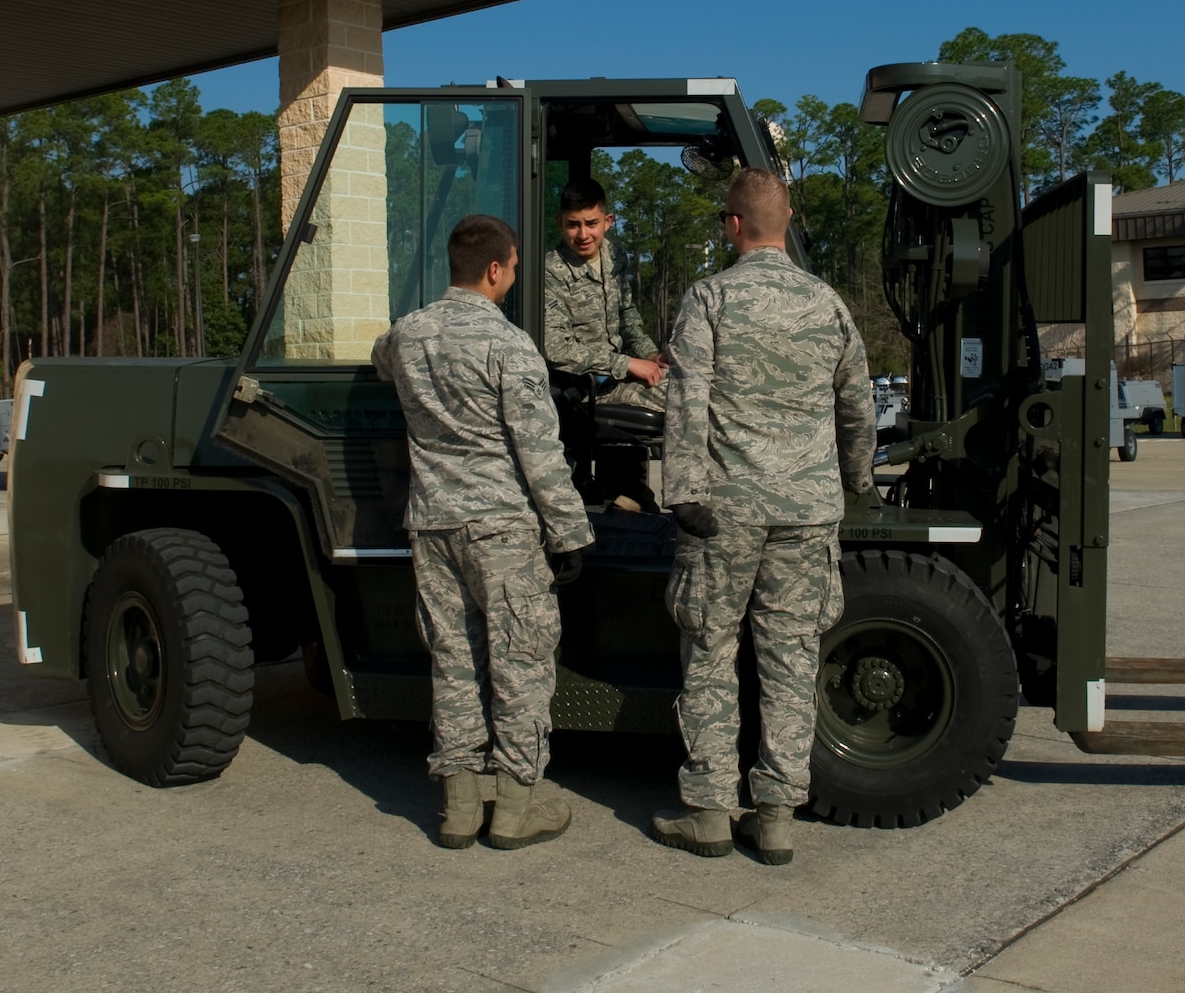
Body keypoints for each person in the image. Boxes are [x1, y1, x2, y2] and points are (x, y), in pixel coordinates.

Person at [648, 169, 876, 866]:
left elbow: (686, 401)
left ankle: (711, 811)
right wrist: (857, 481)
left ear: (734, 225)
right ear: (786, 221)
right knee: (790, 656)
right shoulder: (827, 303)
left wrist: (684, 492)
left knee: (712, 651)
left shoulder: (709, 298)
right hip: (806, 512)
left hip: (726, 511)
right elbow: (858, 405)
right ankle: (776, 814)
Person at [371, 214, 594, 851]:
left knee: (454, 663)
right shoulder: (510, 346)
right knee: (520, 667)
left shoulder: (408, 335)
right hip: (502, 532)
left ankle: (460, 809)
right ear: (496, 269)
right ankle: (517, 807)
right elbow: (539, 451)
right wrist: (570, 534)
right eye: (515, 268)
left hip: (434, 526)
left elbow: (380, 360)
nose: (514, 277)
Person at [544, 177, 665, 410]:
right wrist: (626, 363)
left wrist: (650, 354)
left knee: (696, 386)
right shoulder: (551, 271)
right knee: (686, 401)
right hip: (582, 390)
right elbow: (556, 349)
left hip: (616, 378)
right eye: (572, 224)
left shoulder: (614, 254)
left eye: (591, 223)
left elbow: (626, 312)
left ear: (607, 222)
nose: (582, 234)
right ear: (559, 222)